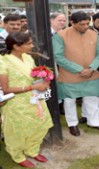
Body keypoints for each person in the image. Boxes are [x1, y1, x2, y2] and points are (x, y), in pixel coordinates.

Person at [52, 11, 99, 136]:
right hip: (69, 74)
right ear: (72, 22)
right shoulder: (60, 36)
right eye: (81, 24)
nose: (85, 27)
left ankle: (94, 122)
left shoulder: (94, 35)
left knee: (92, 97)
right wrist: (79, 69)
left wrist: (92, 68)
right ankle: (72, 124)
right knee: (69, 100)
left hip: (91, 73)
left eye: (87, 24)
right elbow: (58, 57)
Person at [0, 32, 53, 168]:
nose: (32, 46)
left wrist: (45, 80)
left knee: (40, 125)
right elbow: (5, 89)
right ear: (16, 46)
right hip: (16, 102)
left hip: (35, 99)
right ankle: (17, 155)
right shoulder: (3, 61)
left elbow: (34, 75)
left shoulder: (27, 58)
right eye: (29, 43)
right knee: (18, 131)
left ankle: (32, 150)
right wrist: (32, 86)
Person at [79, 11, 99, 124]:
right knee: (88, 93)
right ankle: (85, 115)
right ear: (94, 20)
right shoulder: (86, 32)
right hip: (88, 67)